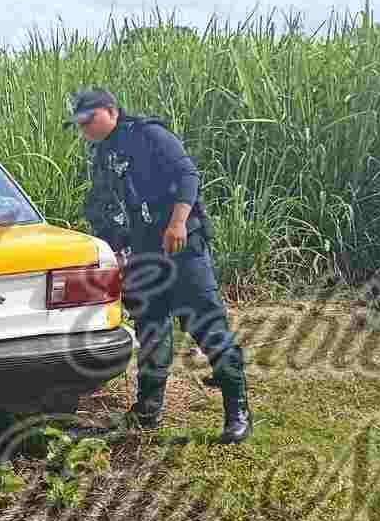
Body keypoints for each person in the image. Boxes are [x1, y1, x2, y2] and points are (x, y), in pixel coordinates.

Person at [64, 86, 251, 443]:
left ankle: (237, 411)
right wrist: (115, 247)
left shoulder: (149, 134)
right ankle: (147, 411)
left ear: (111, 111)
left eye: (90, 120)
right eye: (79, 123)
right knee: (151, 330)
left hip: (180, 244)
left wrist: (178, 221)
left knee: (206, 324)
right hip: (142, 251)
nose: (85, 128)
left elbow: (188, 177)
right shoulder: (101, 154)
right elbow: (102, 203)